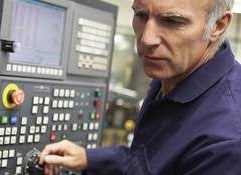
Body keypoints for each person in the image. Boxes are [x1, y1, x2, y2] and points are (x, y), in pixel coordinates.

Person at [39, 0, 241, 174]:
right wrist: (89, 158)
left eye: (172, 21)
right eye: (141, 15)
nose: (146, 39)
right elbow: (151, 161)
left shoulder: (227, 142)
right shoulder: (172, 76)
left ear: (218, 25)